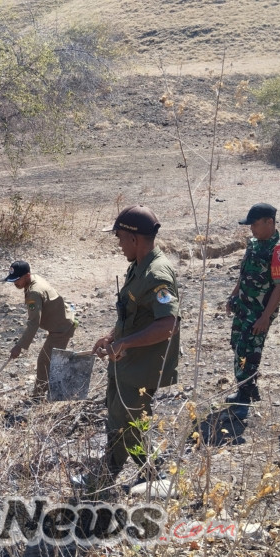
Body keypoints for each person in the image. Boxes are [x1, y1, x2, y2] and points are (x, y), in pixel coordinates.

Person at [78, 206, 180, 494]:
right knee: (118, 418)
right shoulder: (139, 266)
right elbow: (134, 314)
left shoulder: (157, 274)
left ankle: (148, 473)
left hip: (141, 365)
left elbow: (168, 324)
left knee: (128, 422)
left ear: (135, 239)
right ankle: (115, 475)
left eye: (121, 238)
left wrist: (125, 343)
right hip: (126, 362)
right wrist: (111, 336)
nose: (119, 244)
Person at [225, 203, 280, 418]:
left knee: (249, 352)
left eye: (255, 224)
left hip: (259, 312)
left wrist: (265, 317)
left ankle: (244, 400)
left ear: (269, 222)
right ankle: (249, 389)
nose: (251, 229)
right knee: (237, 345)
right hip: (243, 306)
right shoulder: (254, 244)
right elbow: (244, 274)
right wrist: (234, 295)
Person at [4, 260, 76, 401]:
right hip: (60, 321)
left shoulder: (34, 293)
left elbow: (33, 323)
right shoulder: (33, 280)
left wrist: (19, 346)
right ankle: (47, 394)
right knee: (50, 360)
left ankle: (39, 398)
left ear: (27, 276)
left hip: (61, 329)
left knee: (44, 361)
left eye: (17, 280)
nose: (15, 283)